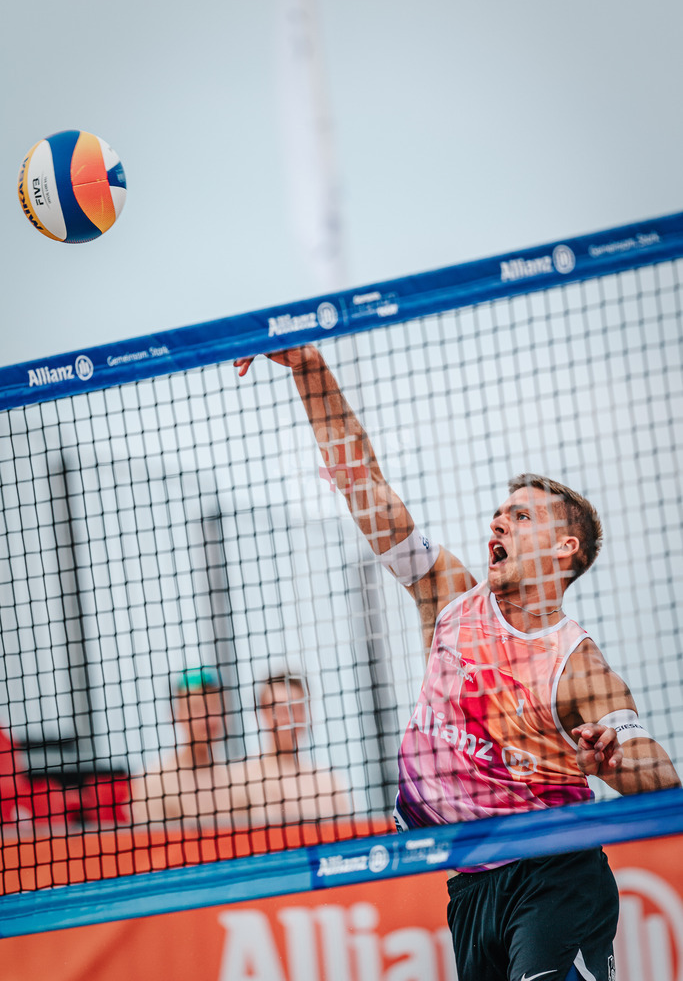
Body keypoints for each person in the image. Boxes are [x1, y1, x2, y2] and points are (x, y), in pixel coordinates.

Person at [236, 345, 680, 981]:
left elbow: (661, 778)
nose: (498, 520)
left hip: (555, 875)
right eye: (500, 511)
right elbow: (365, 484)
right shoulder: (448, 594)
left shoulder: (576, 664)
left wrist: (615, 758)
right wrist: (310, 370)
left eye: (520, 515)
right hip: (467, 885)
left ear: (563, 548)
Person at [226, 670, 352, 828]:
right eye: (280, 711)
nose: (290, 720)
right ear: (261, 714)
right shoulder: (239, 779)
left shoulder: (329, 783)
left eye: (297, 709)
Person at [130, 666, 234, 829]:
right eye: (197, 708)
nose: (208, 717)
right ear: (175, 714)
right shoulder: (155, 782)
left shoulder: (236, 778)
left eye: (214, 706)